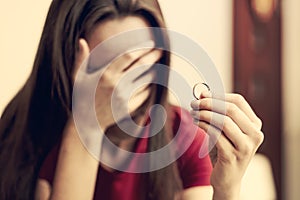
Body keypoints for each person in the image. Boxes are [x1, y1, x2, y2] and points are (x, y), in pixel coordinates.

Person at [0, 0, 264, 200]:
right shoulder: (26, 139)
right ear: (67, 62)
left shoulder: (183, 139)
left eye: (140, 65)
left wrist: (227, 188)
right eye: (107, 67)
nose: (123, 85)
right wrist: (87, 124)